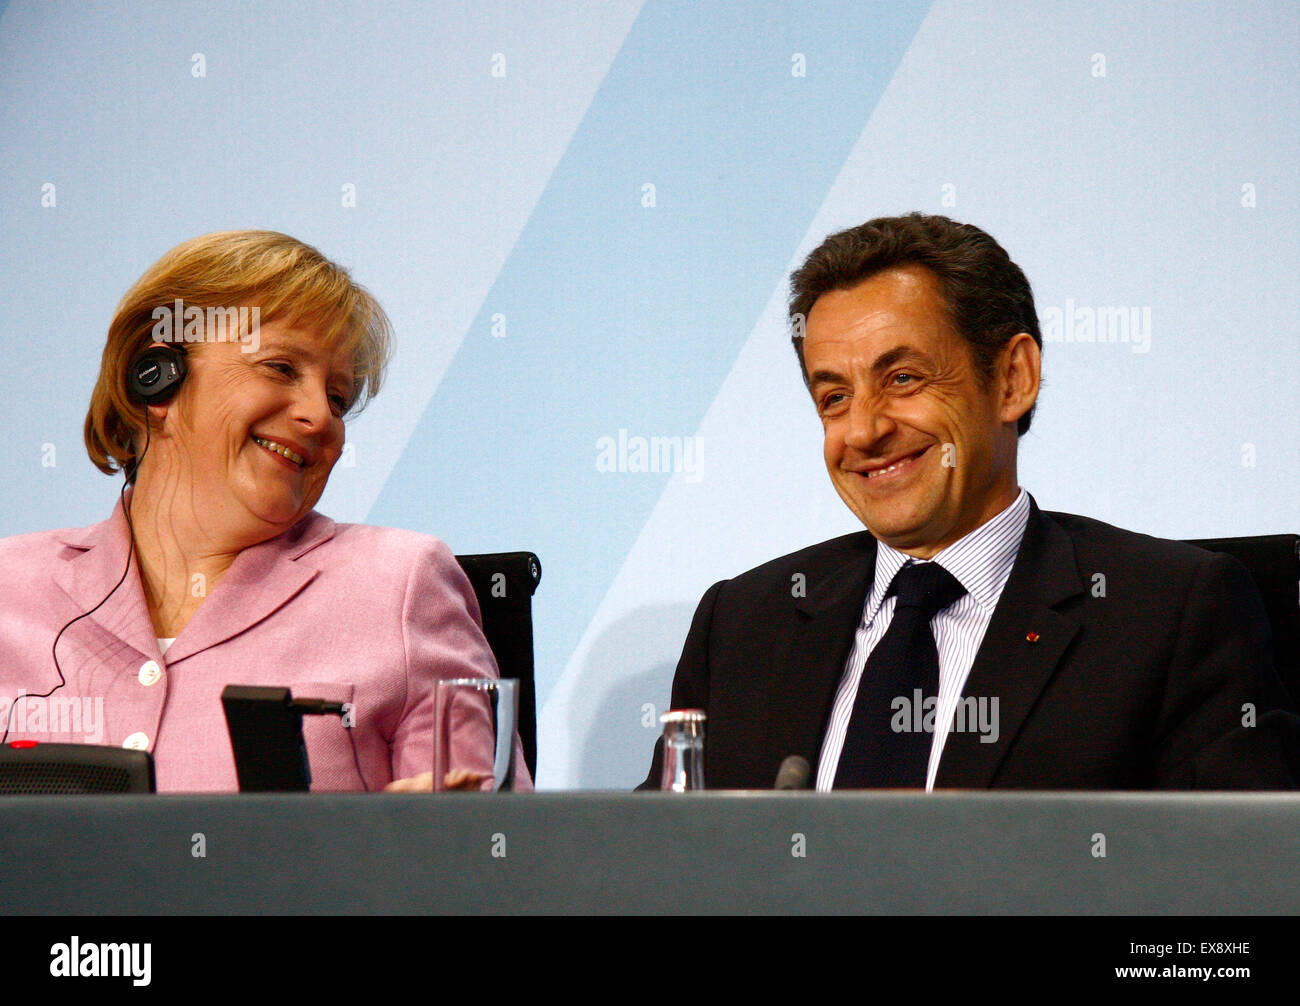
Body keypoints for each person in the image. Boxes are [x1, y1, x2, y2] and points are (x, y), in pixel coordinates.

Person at [643, 213, 1295, 791]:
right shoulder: (743, 626)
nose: (864, 431)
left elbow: (1235, 883)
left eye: (902, 378)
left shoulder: (1166, 614)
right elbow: (656, 870)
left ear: (1013, 379)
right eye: (834, 397)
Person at [0, 230, 529, 792]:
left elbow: (490, 845)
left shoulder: (402, 583)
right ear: (157, 379)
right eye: (280, 368)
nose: (319, 418)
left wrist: (416, 841)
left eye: (338, 399)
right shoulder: (10, 586)